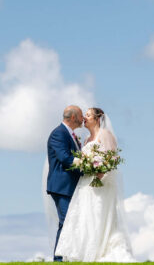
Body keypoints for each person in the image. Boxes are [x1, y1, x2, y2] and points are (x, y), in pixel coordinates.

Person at [53, 107, 134, 262]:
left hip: (101, 183)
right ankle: (85, 253)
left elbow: (112, 158)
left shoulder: (105, 135)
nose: (85, 118)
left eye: (88, 115)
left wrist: (101, 171)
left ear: (97, 119)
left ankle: (100, 251)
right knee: (85, 215)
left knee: (98, 214)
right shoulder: (86, 140)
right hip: (85, 183)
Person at [45, 105, 85, 261]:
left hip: (69, 186)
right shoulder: (59, 134)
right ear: (74, 117)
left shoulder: (70, 134)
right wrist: (87, 168)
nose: (83, 119)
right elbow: (64, 158)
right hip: (62, 186)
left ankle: (64, 258)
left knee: (69, 222)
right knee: (66, 222)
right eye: (81, 116)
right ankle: (59, 260)